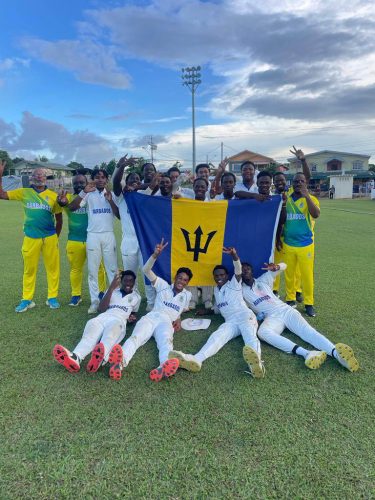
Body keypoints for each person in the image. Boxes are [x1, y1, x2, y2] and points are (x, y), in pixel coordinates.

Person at [241, 262, 359, 372]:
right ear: (239, 273)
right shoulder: (240, 290)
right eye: (242, 270)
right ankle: (307, 353)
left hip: (286, 310)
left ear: (252, 271)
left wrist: (277, 267)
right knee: (262, 332)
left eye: (248, 269)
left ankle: (337, 354)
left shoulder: (263, 280)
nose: (245, 271)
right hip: (271, 317)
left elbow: (284, 265)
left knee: (307, 331)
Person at [169, 247, 264, 378]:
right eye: (216, 275)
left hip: (245, 316)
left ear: (226, 276)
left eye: (222, 275)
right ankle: (197, 359)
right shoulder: (216, 290)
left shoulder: (234, 284)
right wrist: (207, 311)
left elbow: (238, 270)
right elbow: (220, 307)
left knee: (249, 337)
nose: (219, 277)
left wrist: (234, 256)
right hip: (230, 322)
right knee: (217, 336)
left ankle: (257, 364)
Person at [108, 239, 193, 382]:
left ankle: (163, 366)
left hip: (166, 322)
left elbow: (180, 310)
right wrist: (155, 255)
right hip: (152, 317)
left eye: (185, 280)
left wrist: (178, 319)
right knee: (135, 338)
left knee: (166, 343)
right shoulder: (163, 285)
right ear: (175, 277)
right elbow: (146, 270)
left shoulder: (187, 295)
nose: (181, 281)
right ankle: (120, 363)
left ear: (187, 282)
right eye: (179, 278)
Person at [0, 163, 63, 312]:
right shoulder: (24, 192)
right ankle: (27, 300)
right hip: (31, 237)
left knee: (53, 269)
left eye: (42, 175)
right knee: (29, 270)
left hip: (49, 237)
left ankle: (52, 298)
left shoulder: (53, 196)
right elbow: (2, 194)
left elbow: (59, 219)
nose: (39, 177)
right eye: (36, 175)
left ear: (46, 178)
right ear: (32, 178)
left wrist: (55, 238)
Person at [52, 271, 141, 373]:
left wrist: (131, 319)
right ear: (121, 281)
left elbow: (133, 314)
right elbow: (101, 309)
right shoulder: (112, 291)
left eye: (131, 281)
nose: (128, 283)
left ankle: (99, 359)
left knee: (110, 336)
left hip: (119, 320)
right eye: (125, 280)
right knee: (90, 332)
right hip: (103, 317)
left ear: (134, 282)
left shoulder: (136, 297)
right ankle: (76, 357)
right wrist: (111, 288)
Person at [67, 169, 119, 314]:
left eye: (103, 177)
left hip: (109, 235)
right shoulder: (88, 193)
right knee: (93, 271)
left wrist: (110, 201)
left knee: (112, 270)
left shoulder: (112, 195)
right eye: (97, 177)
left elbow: (119, 215)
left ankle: (113, 300)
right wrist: (84, 191)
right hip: (93, 236)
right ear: (93, 179)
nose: (100, 180)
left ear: (107, 180)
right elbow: (72, 207)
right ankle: (95, 302)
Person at [112, 156, 156, 311]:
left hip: (144, 241)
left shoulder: (144, 194)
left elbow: (154, 183)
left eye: (138, 179)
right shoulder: (121, 197)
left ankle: (151, 303)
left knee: (147, 273)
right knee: (130, 275)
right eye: (131, 179)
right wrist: (122, 166)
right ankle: (134, 302)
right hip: (128, 241)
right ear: (126, 182)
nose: (135, 181)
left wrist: (137, 188)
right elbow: (116, 182)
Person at [57, 173, 106, 306]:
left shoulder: (93, 197)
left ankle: (101, 292)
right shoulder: (68, 197)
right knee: (75, 269)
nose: (78, 185)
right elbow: (64, 203)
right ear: (72, 185)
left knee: (99, 268)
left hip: (93, 239)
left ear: (86, 183)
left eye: (81, 183)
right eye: (76, 183)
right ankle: (76, 295)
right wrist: (61, 202)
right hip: (74, 240)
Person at [282, 172, 320, 317]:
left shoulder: (312, 199)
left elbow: (316, 214)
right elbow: (284, 219)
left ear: (306, 183)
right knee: (289, 274)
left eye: (301, 181)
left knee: (307, 275)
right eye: (296, 181)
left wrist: (307, 197)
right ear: (293, 183)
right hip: (289, 243)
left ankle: (309, 303)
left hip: (305, 244)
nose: (298, 183)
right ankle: (290, 299)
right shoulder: (288, 199)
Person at [185, 178, 214, 310]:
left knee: (207, 268)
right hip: (191, 238)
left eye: (203, 186)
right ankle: (192, 299)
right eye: (197, 186)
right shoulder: (187, 204)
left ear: (207, 188)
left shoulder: (213, 204)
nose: (200, 189)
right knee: (190, 267)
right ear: (193, 187)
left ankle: (207, 299)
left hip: (209, 238)